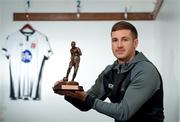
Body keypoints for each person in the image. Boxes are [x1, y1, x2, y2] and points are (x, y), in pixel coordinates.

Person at [54, 21, 164, 122]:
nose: (119, 45)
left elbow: (123, 112)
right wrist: (68, 93)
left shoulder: (145, 71)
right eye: (115, 40)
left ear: (135, 43)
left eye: (125, 39)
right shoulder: (110, 71)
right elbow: (86, 104)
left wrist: (86, 98)